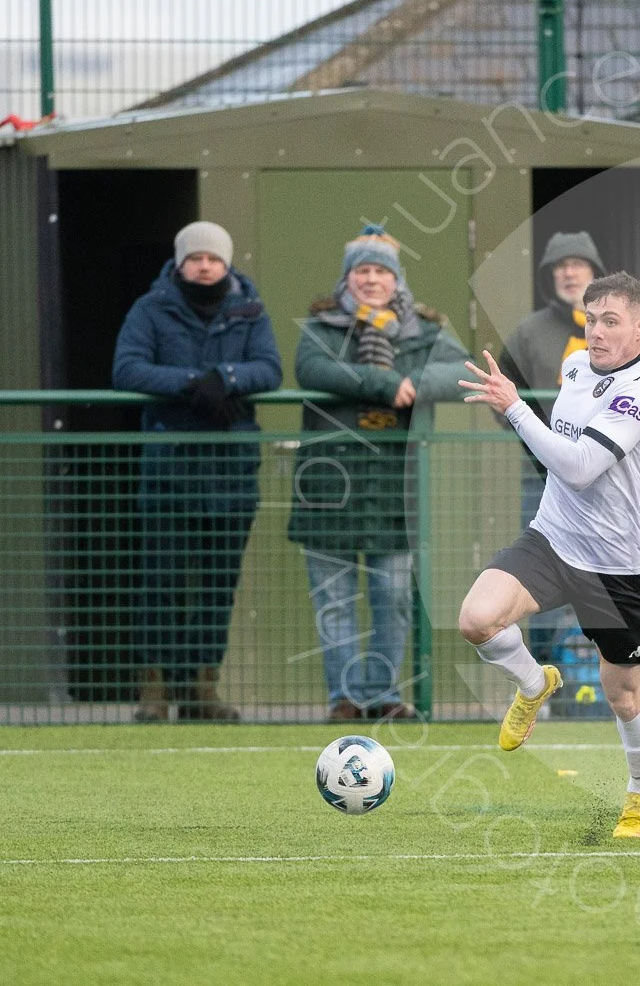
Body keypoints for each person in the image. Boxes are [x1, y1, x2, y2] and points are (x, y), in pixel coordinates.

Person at [458, 271, 640, 839]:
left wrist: (516, 407)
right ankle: (535, 684)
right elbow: (559, 456)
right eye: (590, 319)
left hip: (616, 565)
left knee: (623, 695)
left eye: (610, 321)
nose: (596, 332)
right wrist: (522, 411)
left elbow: (578, 468)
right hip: (552, 539)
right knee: (476, 619)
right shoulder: (575, 368)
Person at [288, 225, 474, 722]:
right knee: (335, 599)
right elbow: (313, 371)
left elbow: (465, 373)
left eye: (381, 271)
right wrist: (385, 385)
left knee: (392, 597)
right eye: (362, 271)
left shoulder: (428, 330)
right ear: (347, 279)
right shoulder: (321, 326)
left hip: (399, 486)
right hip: (328, 485)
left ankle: (384, 695)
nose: (371, 280)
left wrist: (416, 380)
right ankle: (344, 700)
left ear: (397, 281)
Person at [112, 221, 282, 722]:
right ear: (181, 262)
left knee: (217, 585)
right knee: (160, 582)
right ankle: (155, 689)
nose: (204, 265)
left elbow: (269, 369)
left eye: (213, 258)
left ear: (226, 262)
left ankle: (202, 688)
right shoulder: (151, 307)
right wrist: (194, 384)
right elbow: (127, 369)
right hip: (169, 470)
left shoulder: (250, 310)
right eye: (195, 258)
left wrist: (225, 378)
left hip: (231, 473)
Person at [497, 231, 608, 659]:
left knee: (606, 578)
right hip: (542, 481)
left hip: (608, 482)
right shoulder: (528, 333)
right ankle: (542, 671)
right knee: (541, 573)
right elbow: (504, 393)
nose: (569, 272)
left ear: (596, 273)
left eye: (578, 264)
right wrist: (536, 447)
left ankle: (602, 682)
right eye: (560, 266)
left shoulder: (620, 330)